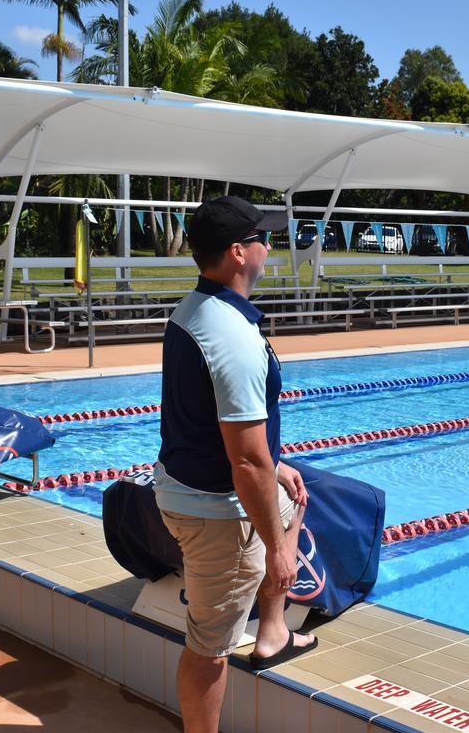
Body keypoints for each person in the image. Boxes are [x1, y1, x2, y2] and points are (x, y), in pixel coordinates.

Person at [153, 195, 318, 733]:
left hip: (190, 484)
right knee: (210, 649)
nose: (270, 246)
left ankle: (272, 631)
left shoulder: (194, 310)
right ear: (237, 253)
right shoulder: (232, 338)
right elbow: (245, 462)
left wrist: (275, 465)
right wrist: (276, 551)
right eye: (262, 238)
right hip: (216, 511)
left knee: (293, 496)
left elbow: (221, 426)